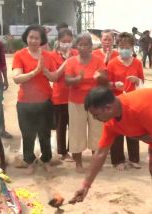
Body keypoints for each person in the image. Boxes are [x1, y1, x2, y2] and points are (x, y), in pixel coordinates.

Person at [70, 87, 152, 204]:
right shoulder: (111, 123)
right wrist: (86, 185)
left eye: (96, 115)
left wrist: (140, 137)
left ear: (108, 108)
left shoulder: (139, 109)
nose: (94, 119)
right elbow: (100, 153)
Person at [12, 25, 56, 174]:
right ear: (26, 38)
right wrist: (35, 71)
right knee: (28, 134)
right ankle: (29, 161)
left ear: (42, 40)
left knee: (45, 133)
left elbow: (54, 77)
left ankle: (46, 160)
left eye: (37, 38)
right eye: (31, 37)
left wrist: (47, 72)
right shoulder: (20, 55)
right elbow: (17, 78)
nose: (34, 40)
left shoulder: (48, 56)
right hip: (25, 102)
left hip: (44, 101)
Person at [64, 33, 107, 173]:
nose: (83, 47)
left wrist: (100, 76)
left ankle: (95, 162)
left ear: (91, 46)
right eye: (81, 44)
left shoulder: (98, 60)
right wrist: (77, 79)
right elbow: (67, 81)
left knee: (97, 131)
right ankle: (78, 163)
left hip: (96, 101)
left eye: (87, 44)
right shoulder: (71, 61)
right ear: (77, 46)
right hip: (76, 101)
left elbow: (105, 78)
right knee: (76, 131)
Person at [107, 32, 144, 170]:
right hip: (116, 101)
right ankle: (118, 160)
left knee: (133, 130)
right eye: (121, 46)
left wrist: (137, 80)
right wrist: (114, 85)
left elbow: (142, 82)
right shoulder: (112, 63)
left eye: (127, 46)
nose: (124, 49)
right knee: (117, 131)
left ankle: (134, 158)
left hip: (133, 102)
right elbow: (106, 83)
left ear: (132, 47)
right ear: (118, 46)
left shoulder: (138, 63)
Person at [48, 28, 79, 161]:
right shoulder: (52, 56)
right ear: (58, 42)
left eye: (69, 41)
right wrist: (67, 61)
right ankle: (62, 152)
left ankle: (72, 150)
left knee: (73, 125)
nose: (66, 43)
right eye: (63, 41)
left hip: (75, 96)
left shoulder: (76, 53)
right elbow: (54, 76)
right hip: (60, 96)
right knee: (61, 125)